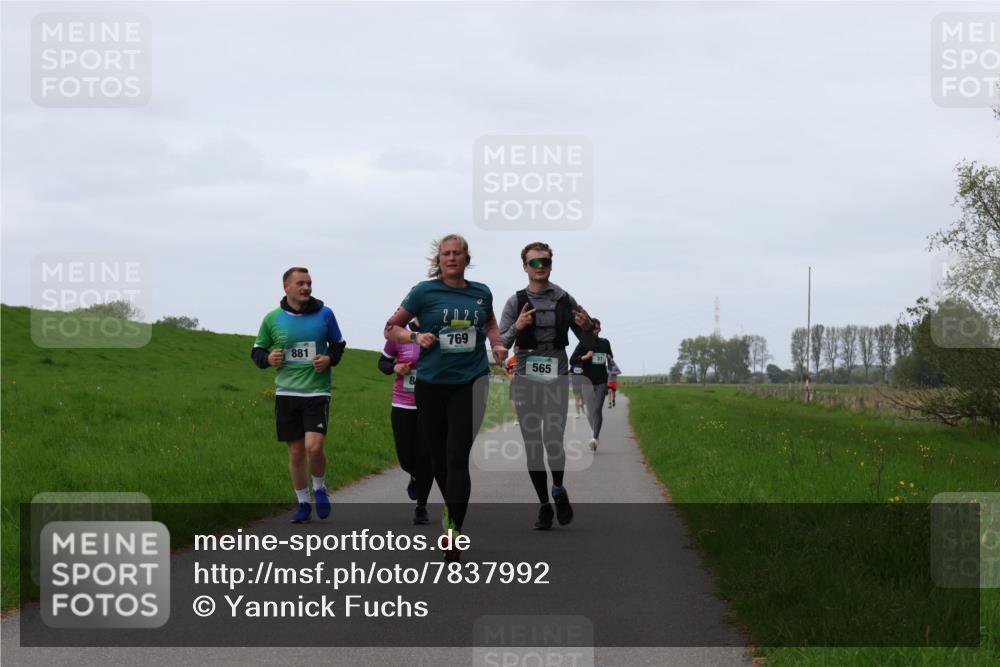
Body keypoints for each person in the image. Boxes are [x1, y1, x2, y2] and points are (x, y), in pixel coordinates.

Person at [384, 234, 506, 561]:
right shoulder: (424, 292)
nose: (451, 258)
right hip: (432, 383)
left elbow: (491, 323)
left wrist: (496, 344)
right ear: (438, 261)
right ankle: (451, 509)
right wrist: (414, 335)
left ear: (467, 259)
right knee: (439, 458)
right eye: (446, 254)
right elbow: (391, 327)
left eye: (457, 253)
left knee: (456, 456)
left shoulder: (482, 293)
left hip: (472, 380)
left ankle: (453, 534)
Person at [499, 242, 594, 530]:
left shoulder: (564, 299)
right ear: (524, 267)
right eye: (533, 263)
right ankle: (543, 505)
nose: (539, 268)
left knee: (553, 441)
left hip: (554, 378)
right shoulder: (515, 301)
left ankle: (558, 488)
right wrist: (518, 326)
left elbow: (587, 342)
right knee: (532, 447)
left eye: (545, 262)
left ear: (551, 265)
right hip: (526, 379)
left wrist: (588, 327)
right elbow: (500, 345)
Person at [251, 267, 346, 523]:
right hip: (286, 393)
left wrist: (328, 359)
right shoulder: (273, 319)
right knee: (295, 453)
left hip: (316, 391)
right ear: (286, 287)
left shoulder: (325, 314)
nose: (306, 288)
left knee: (314, 447)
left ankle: (319, 487)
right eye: (300, 283)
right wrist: (268, 358)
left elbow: (338, 345)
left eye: (309, 283)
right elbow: (257, 351)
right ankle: (303, 503)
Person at [378, 318, 433, 525]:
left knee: (425, 456)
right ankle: (415, 475)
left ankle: (421, 506)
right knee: (406, 458)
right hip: (403, 403)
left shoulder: (439, 332)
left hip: (430, 405)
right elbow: (382, 363)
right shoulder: (400, 334)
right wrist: (395, 367)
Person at [570, 319, 615, 452]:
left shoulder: (605, 343)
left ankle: (594, 438)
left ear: (599, 329)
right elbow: (572, 360)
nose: (595, 331)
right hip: (587, 381)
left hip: (601, 380)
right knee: (590, 411)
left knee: (597, 409)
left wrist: (610, 360)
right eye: (592, 329)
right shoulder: (583, 344)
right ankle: (595, 434)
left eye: (597, 329)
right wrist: (585, 357)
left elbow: (610, 358)